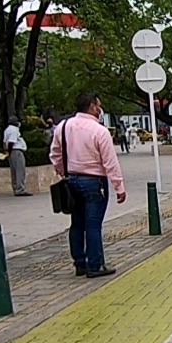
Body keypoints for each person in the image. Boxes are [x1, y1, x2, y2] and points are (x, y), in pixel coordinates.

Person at [50, 93, 126, 278]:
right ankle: (95, 265)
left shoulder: (63, 126)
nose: (101, 109)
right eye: (99, 105)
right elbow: (110, 161)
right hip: (94, 181)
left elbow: (55, 154)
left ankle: (80, 263)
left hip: (72, 180)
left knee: (77, 224)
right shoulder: (99, 130)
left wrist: (62, 171)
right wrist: (119, 186)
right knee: (93, 225)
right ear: (92, 106)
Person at [3, 116, 31, 196]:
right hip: (17, 151)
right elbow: (11, 142)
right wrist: (10, 151)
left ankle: (15, 188)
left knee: (14, 171)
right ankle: (20, 189)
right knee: (20, 171)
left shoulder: (7, 130)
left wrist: (7, 152)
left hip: (11, 152)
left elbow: (5, 142)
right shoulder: (14, 130)